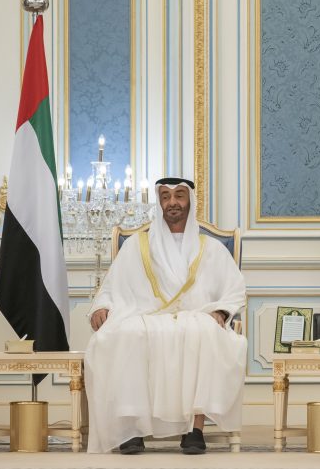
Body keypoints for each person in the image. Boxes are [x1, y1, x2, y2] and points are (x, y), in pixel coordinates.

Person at [84, 178, 247, 454]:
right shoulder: (137, 245)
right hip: (144, 316)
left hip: (196, 316)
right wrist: (101, 306)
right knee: (127, 333)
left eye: (179, 196)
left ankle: (194, 430)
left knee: (203, 331)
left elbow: (235, 289)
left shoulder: (211, 248)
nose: (173, 203)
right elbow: (111, 287)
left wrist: (219, 311)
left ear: (190, 201)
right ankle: (131, 430)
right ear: (159, 203)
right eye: (166, 197)